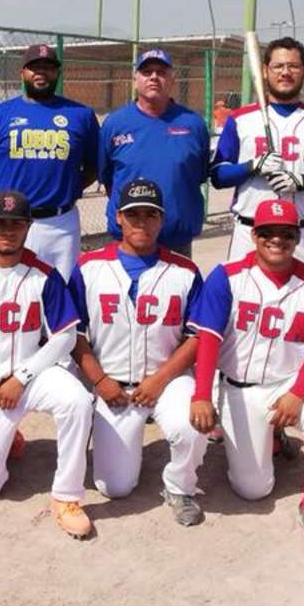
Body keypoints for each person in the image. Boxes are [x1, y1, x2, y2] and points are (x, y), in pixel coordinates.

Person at [187, 197, 304, 552]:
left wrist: (298, 394)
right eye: (267, 232)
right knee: (254, 490)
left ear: (297, 237)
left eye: (286, 233)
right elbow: (209, 339)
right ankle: (272, 437)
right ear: (254, 235)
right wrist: (202, 395)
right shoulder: (227, 277)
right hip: (240, 388)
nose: (277, 239)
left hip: (291, 383)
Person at [0, 190, 95, 539]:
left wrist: (22, 376)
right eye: (0, 223)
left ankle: (66, 497)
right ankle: (6, 439)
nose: (8, 230)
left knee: (77, 401)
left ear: (29, 226)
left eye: (16, 223)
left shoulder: (45, 274)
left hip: (31, 379)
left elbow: (66, 337)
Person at [69, 179, 207, 526]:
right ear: (118, 217)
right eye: (133, 215)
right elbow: (74, 335)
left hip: (168, 379)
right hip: (113, 386)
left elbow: (196, 337)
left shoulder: (184, 271)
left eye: (150, 215)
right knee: (114, 487)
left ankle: (180, 486)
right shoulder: (88, 267)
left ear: (162, 219)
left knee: (190, 425)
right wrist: (100, 381)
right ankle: (123, 449)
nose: (141, 222)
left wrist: (160, 380)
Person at [209, 36, 304, 275]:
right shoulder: (240, 120)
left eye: (293, 66)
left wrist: (303, 182)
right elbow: (218, 176)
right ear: (265, 71)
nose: (285, 72)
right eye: (278, 66)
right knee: (242, 299)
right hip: (251, 232)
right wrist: (253, 166)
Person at [0, 43, 99, 280]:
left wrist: (69, 188)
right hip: (12, 223)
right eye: (34, 67)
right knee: (14, 288)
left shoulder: (81, 115)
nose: (41, 72)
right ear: (22, 72)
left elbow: (93, 166)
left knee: (63, 289)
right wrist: (6, 198)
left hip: (61, 222)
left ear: (58, 73)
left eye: (48, 67)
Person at [98, 49, 210, 256]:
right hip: (127, 241)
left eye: (161, 72)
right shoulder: (115, 124)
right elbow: (108, 180)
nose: (154, 77)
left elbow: (198, 175)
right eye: (147, 72)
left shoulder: (193, 124)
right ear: (135, 80)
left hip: (177, 241)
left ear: (172, 79)